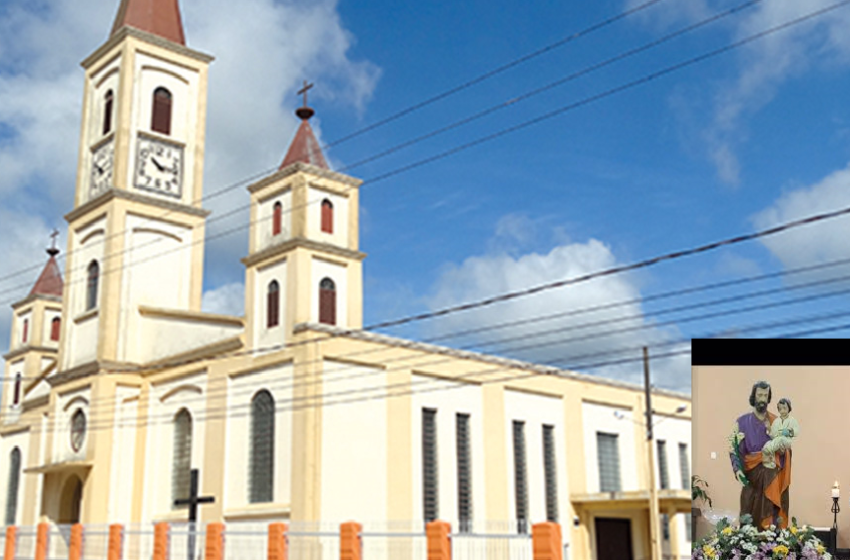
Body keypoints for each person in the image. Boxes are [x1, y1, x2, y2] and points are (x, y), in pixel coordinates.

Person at [728, 381, 792, 529]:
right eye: (759, 395)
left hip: (771, 478)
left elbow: (785, 449)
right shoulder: (742, 422)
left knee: (772, 520)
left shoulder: (776, 422)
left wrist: (783, 451)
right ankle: (746, 547)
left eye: (765, 395)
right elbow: (734, 448)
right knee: (747, 514)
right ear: (754, 396)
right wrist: (737, 469)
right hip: (751, 478)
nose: (762, 398)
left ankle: (770, 547)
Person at [762, 398, 799, 469]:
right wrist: (769, 430)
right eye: (780, 409)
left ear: (789, 408)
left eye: (784, 408)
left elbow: (796, 431)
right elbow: (773, 433)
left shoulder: (792, 420)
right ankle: (770, 461)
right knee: (769, 442)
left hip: (786, 440)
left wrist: (789, 432)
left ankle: (767, 451)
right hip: (777, 440)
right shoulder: (776, 421)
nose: (782, 411)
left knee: (780, 439)